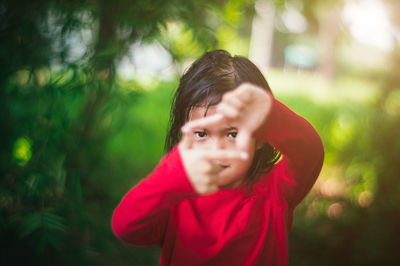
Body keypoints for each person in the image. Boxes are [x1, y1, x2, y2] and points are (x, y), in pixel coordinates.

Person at [111, 49, 324, 266]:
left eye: (232, 134)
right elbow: (126, 226)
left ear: (262, 135)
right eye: (202, 134)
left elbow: (310, 152)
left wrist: (270, 113)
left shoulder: (275, 190)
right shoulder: (174, 198)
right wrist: (173, 176)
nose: (216, 149)